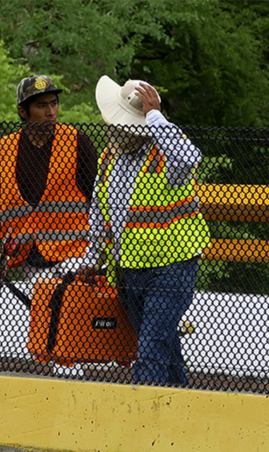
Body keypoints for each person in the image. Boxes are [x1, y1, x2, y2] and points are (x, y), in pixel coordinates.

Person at [77, 76, 210, 385]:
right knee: (161, 341)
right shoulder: (109, 158)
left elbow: (191, 157)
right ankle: (183, 402)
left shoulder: (166, 155)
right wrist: (92, 257)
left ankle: (139, 412)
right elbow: (99, 211)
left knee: (151, 343)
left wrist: (154, 116)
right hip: (128, 269)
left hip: (172, 266)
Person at [0, 75, 98, 377]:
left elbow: (99, 200)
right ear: (24, 112)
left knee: (64, 316)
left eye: (54, 104)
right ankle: (58, 375)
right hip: (29, 253)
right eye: (41, 106)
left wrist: (100, 253)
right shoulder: (7, 147)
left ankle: (70, 374)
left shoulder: (77, 141)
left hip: (74, 249)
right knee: (48, 326)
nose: (51, 112)